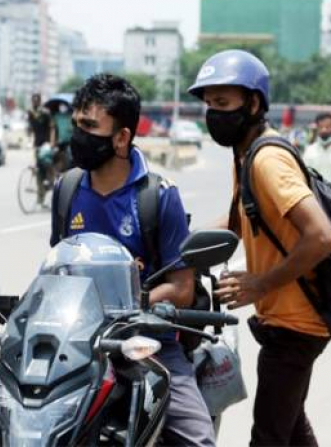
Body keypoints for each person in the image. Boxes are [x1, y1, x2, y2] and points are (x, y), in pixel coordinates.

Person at [50, 74, 216, 446]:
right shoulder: (67, 189)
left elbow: (182, 288)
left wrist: (126, 308)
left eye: (90, 126)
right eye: (77, 124)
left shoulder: (158, 196)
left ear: (122, 137)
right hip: (76, 345)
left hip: (150, 345)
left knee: (197, 440)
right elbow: (56, 267)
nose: (78, 135)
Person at [188, 50, 331, 447]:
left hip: (296, 322)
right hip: (287, 320)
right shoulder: (246, 154)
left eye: (223, 103)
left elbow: (322, 237)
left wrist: (260, 284)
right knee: (291, 429)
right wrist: (176, 247)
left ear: (253, 103)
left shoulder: (267, 160)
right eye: (208, 105)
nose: (213, 114)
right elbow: (238, 220)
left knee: (269, 436)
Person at [27, 93, 56, 204]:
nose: (34, 102)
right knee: (37, 170)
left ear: (40, 101)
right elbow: (30, 127)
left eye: (36, 100)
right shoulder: (30, 113)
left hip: (46, 143)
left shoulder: (46, 113)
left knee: (46, 163)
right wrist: (29, 137)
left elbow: (52, 127)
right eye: (33, 100)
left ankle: (51, 180)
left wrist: (52, 142)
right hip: (37, 143)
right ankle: (41, 196)